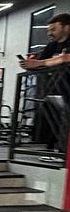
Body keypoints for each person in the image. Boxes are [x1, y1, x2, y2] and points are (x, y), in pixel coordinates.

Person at [19, 13, 70, 160]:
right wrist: (29, 65)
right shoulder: (52, 46)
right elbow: (40, 62)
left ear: (66, 27)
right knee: (51, 113)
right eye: (48, 30)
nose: (50, 33)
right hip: (58, 89)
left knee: (66, 116)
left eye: (53, 29)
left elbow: (66, 58)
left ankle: (63, 153)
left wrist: (41, 63)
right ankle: (54, 148)